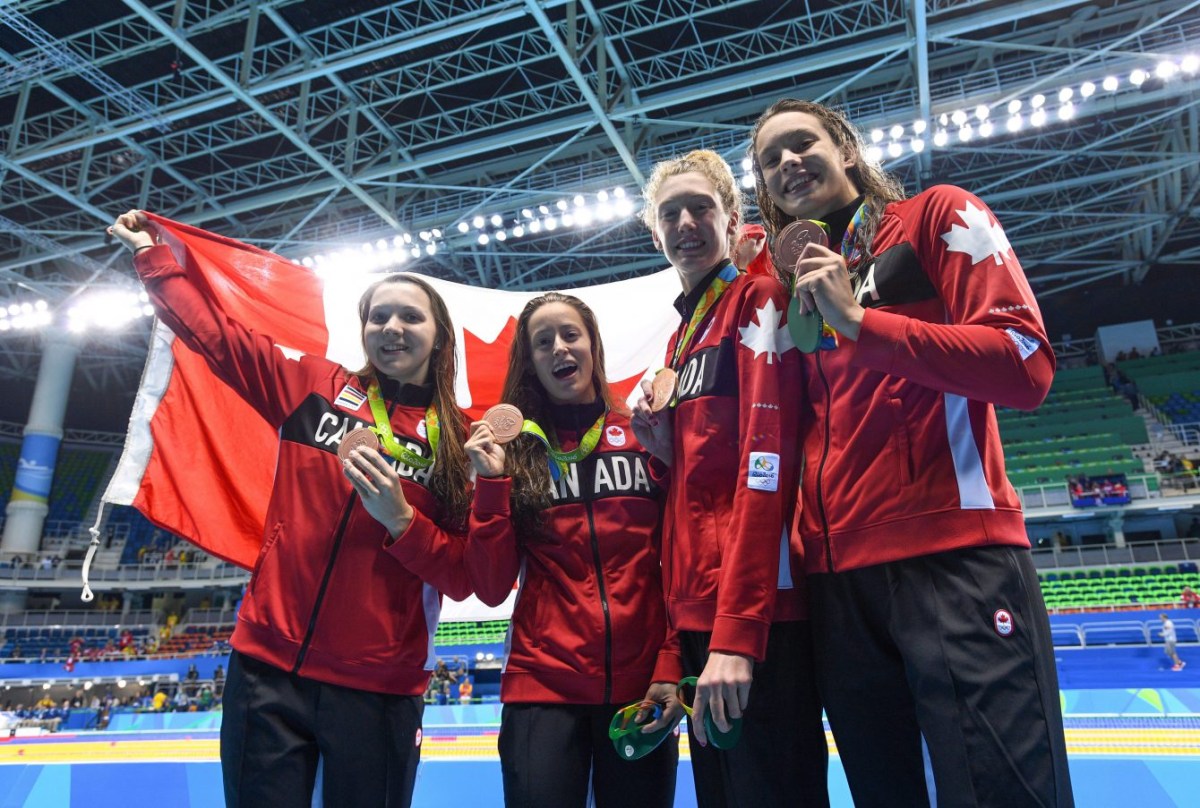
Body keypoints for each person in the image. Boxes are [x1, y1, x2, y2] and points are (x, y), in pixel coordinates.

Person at [750, 98, 1073, 807]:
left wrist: (862, 321)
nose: (786, 164)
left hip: (953, 556)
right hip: (839, 585)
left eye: (801, 143)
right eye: (769, 160)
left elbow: (1025, 364)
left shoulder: (936, 217)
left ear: (846, 148)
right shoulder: (785, 293)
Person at [108, 210, 474, 808]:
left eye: (411, 316)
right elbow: (219, 339)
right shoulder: (315, 389)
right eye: (378, 315)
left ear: (439, 335)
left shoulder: (458, 441)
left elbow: (463, 574)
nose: (392, 326)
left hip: (377, 683)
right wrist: (155, 260)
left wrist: (400, 524)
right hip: (266, 667)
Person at [630, 150, 828, 807]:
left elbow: (764, 467)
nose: (685, 223)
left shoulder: (757, 300)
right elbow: (688, 499)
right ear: (654, 234)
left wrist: (738, 634)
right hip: (698, 618)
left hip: (754, 618)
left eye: (701, 209)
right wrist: (662, 449)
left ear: (731, 218)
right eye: (670, 215)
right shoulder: (681, 340)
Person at [466, 293, 681, 808]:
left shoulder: (642, 434)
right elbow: (492, 587)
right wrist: (491, 488)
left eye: (570, 335)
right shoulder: (514, 452)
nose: (559, 348)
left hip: (640, 688)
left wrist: (670, 664)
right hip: (542, 689)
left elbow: (679, 563)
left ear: (592, 346)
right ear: (531, 362)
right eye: (543, 343)